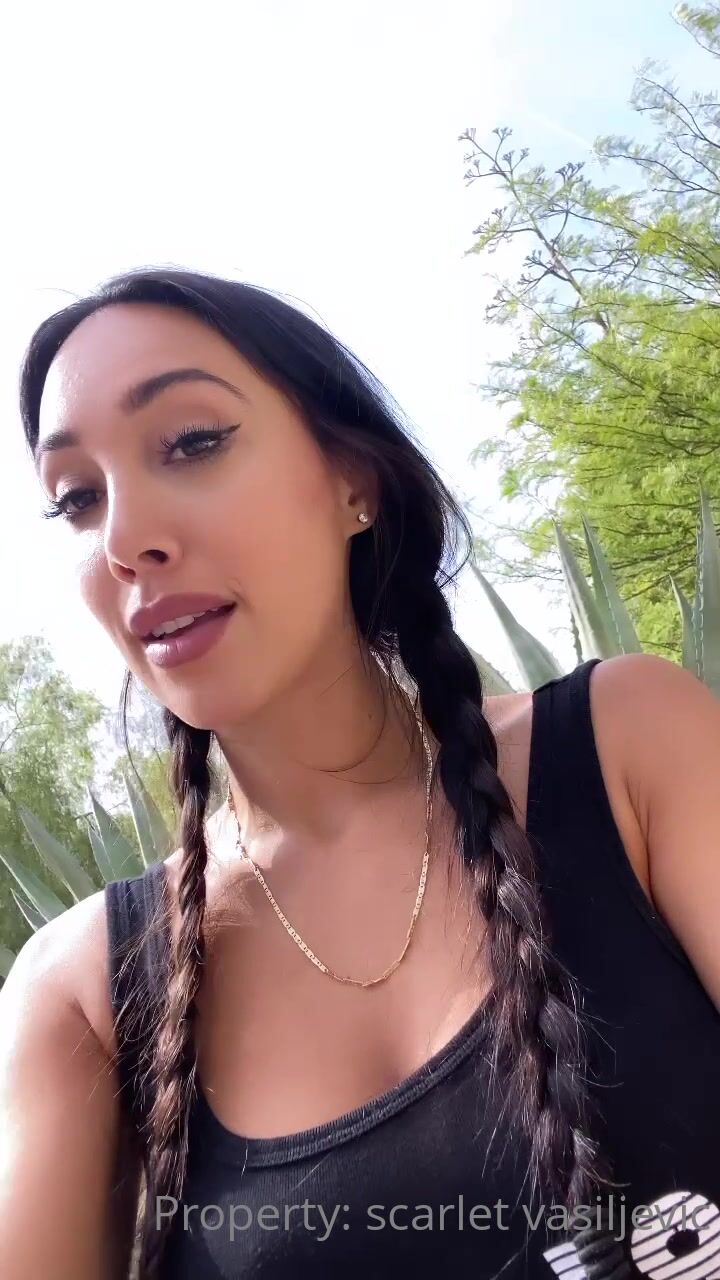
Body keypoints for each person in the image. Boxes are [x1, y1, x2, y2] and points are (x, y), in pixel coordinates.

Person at [1, 268, 719, 1280]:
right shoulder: (81, 995)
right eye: (78, 497)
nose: (124, 538)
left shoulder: (632, 749)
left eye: (192, 442)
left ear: (354, 484)